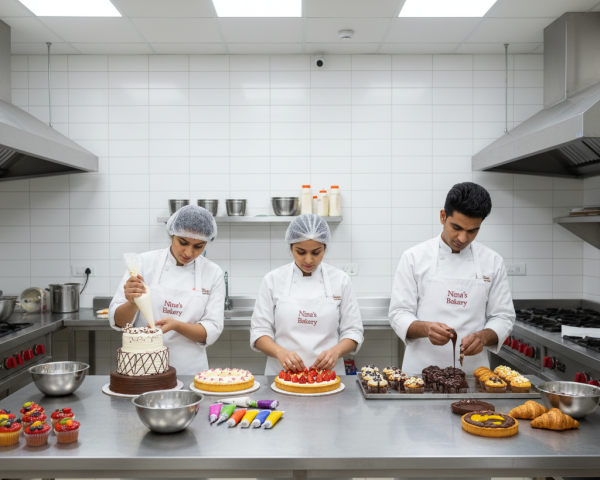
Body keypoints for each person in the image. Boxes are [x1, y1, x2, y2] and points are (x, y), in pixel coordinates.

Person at [389, 182, 515, 374]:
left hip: (473, 374)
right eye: (456, 227)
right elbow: (399, 313)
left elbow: (503, 316)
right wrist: (426, 329)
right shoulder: (414, 257)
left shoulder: (493, 262)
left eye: (472, 231)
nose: (463, 238)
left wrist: (483, 337)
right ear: (442, 216)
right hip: (419, 374)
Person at [109, 205, 225, 375]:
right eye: (183, 242)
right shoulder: (143, 263)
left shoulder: (213, 272)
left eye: (198, 246)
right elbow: (118, 322)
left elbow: (212, 330)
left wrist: (177, 325)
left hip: (190, 371)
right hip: (143, 369)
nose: (188, 252)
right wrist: (133, 302)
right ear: (172, 233)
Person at [251, 214, 364, 375]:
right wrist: (280, 352)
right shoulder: (273, 280)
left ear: (325, 248)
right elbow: (259, 332)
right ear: (290, 247)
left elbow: (353, 331)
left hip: (328, 376)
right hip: (282, 375)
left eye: (316, 252)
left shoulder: (340, 280)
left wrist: (336, 352)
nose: (309, 260)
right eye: (301, 252)